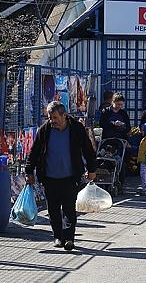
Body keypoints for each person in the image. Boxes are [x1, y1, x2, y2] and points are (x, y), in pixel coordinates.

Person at [26, 101, 97, 251]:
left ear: (64, 115)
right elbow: (34, 151)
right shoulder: (45, 130)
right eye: (50, 117)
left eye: (55, 117)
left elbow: (88, 149)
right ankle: (58, 236)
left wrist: (92, 169)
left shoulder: (76, 128)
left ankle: (69, 238)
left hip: (70, 177)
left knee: (69, 209)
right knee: (53, 209)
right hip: (49, 177)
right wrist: (29, 171)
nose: (52, 121)